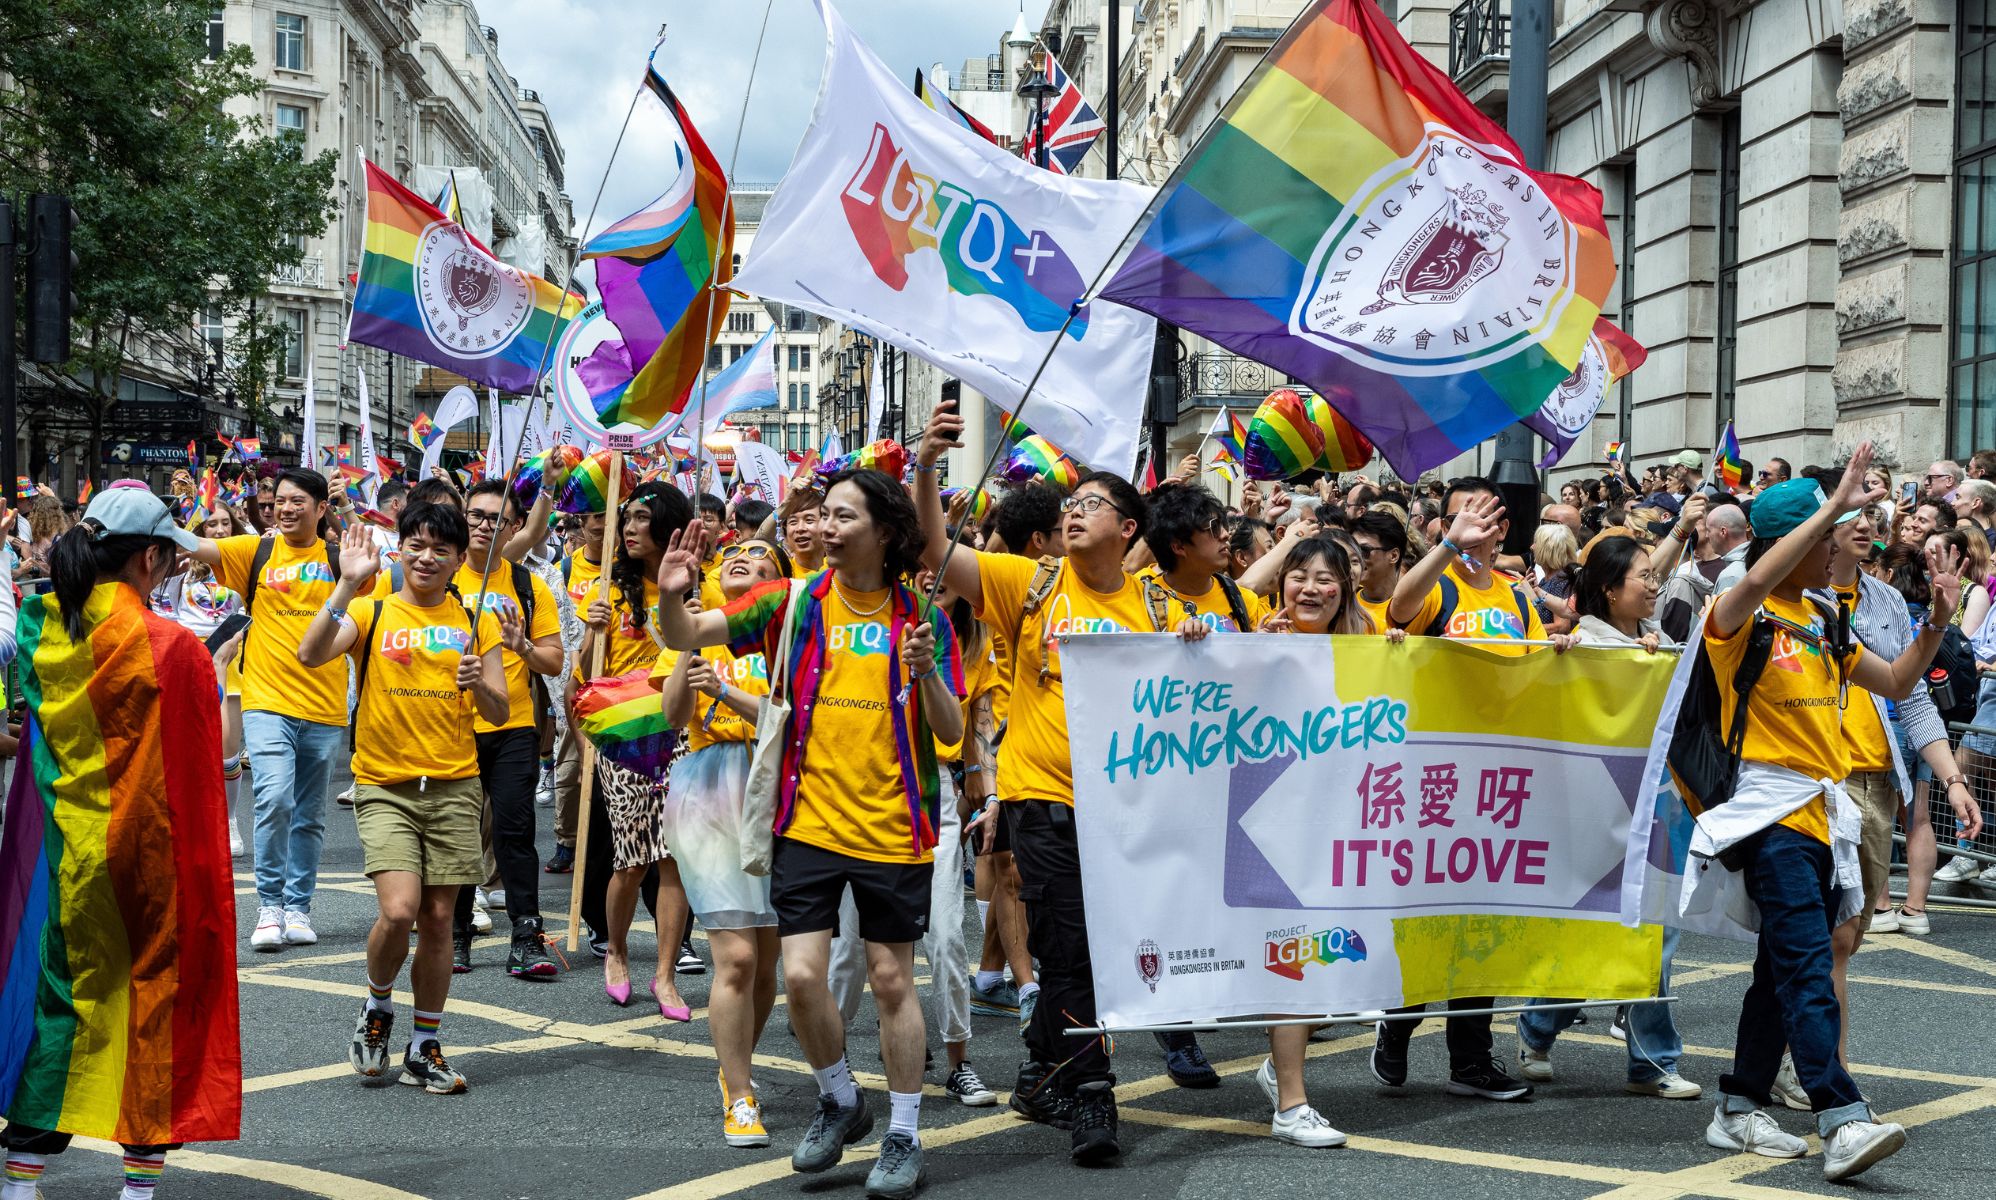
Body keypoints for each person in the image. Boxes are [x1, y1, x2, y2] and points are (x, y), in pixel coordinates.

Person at [656, 468, 964, 1199]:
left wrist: (927, 676)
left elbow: (950, 734)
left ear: (884, 532)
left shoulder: (923, 618)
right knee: (799, 976)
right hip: (806, 823)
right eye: (822, 516)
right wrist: (672, 593)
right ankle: (839, 1098)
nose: (825, 528)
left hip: (894, 828)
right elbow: (690, 634)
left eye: (843, 518)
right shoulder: (792, 602)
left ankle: (904, 1132)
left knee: (892, 979)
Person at [916, 398, 1178, 1166]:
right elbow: (936, 554)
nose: (1074, 513)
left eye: (1092, 504)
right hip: (1044, 797)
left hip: (1127, 808)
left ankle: (1039, 1071)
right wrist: (930, 468)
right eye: (1071, 504)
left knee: (1095, 948)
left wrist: (1196, 639)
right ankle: (1094, 1098)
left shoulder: (1155, 603)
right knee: (1069, 948)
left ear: (1128, 528)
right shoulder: (1028, 582)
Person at [1691, 449, 1947, 1180]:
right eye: (1828, 532)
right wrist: (1829, 507)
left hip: (1822, 816)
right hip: (1769, 814)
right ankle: (1841, 1117)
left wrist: (1937, 622)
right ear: (1798, 540)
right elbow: (1761, 573)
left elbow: (1897, 679)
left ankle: (1738, 1105)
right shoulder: (1738, 609)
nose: (1841, 543)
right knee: (1807, 964)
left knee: (1779, 969)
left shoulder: (1826, 619)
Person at [0, 484, 238, 1200]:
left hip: (69, 861)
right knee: (155, 1003)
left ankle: (21, 1181)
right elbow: (205, 771)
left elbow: (34, 739)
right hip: (150, 863)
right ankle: (137, 1190)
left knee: (61, 1006)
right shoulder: (175, 649)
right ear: (151, 558)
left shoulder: (42, 629)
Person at [298, 507, 508, 1096]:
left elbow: (499, 712)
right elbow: (310, 654)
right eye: (416, 545)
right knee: (399, 910)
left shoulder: (475, 618)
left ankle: (423, 1043)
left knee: (439, 919)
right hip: (385, 784)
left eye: (441, 549)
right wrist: (345, 583)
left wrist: (480, 685)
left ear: (460, 558)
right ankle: (377, 1005)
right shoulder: (373, 609)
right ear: (400, 551)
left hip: (455, 784)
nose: (427, 557)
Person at [1379, 477, 1567, 1102]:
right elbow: (1400, 610)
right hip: (1433, 777)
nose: (1469, 527)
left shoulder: (1518, 596)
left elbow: (1537, 664)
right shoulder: (1441, 585)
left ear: (1503, 526)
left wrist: (1563, 648)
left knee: (1481, 920)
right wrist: (1445, 550)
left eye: (1480, 516)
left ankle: (1470, 1059)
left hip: (1497, 780)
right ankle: (1398, 1023)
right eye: (1457, 518)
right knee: (1427, 914)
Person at [1516, 535, 1698, 1099]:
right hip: (1592, 808)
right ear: (1606, 590)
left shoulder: (1659, 640)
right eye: (1642, 576)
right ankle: (1537, 1028)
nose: (1654, 584)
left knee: (1656, 932)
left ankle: (1652, 1061)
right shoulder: (1579, 646)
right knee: (1584, 927)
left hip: (1660, 803)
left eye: (1654, 574)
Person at [1817, 511, 1979, 1066]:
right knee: (1824, 938)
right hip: (1809, 780)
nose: (1866, 526)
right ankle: (1821, 1070)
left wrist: (1953, 780)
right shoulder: (1787, 594)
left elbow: (1909, 699)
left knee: (1849, 937)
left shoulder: (1884, 601)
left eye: (1870, 518)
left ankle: (1808, 1063)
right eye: (1850, 516)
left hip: (1875, 781)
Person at [658, 535, 788, 1147]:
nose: (746, 556)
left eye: (763, 556)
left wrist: (729, 691)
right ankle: (740, 1094)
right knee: (735, 957)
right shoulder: (693, 628)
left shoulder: (789, 636)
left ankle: (733, 1057)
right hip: (709, 792)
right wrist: (685, 632)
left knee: (767, 965)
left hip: (781, 797)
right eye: (737, 550)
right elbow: (672, 714)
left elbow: (790, 720)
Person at [191, 468, 345, 952]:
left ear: (321, 509)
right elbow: (196, 545)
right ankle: (269, 906)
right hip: (265, 698)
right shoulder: (254, 551)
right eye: (279, 499)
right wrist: (151, 512)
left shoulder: (340, 559)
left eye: (299, 500)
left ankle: (298, 906)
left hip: (323, 704)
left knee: (309, 815)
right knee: (274, 797)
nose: (286, 507)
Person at [579, 483, 695, 1014]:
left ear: (668, 524)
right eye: (626, 518)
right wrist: (590, 634)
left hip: (683, 729)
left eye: (641, 518)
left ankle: (665, 975)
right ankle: (618, 951)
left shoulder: (697, 588)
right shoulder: (604, 590)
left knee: (675, 858)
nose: (628, 528)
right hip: (623, 730)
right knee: (631, 859)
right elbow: (585, 675)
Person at [456, 479, 564, 979]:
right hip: (450, 726)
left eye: (496, 519)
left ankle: (526, 934)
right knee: (456, 834)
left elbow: (554, 662)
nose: (483, 526)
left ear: (516, 528)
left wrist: (520, 646)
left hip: (514, 725)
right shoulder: (437, 576)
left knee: (516, 832)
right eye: (476, 515)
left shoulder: (528, 586)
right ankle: (455, 935)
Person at [161, 507, 250, 857]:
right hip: (188, 659)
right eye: (210, 523)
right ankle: (187, 818)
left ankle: (228, 821)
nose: (218, 528)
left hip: (231, 658)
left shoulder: (245, 564)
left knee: (228, 750)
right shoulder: (181, 569)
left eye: (225, 522)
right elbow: (164, 611)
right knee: (184, 747)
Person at [546, 509, 609, 876]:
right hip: (574, 682)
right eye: (593, 518)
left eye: (606, 516)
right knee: (571, 765)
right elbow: (561, 628)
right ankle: (566, 840)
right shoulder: (565, 571)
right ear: (581, 525)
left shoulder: (625, 566)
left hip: (618, 685)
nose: (600, 524)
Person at [1349, 510, 1409, 633]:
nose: (1356, 558)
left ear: (1393, 556)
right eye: (1352, 550)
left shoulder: (1416, 606)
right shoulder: (1342, 604)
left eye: (1364, 550)